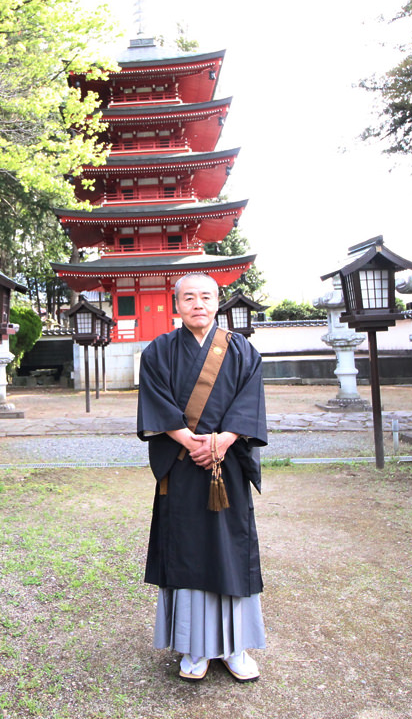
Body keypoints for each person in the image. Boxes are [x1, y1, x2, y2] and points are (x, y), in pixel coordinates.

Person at [136, 272, 268, 682]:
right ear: (176, 305)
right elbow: (155, 401)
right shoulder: (158, 352)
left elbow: (250, 402)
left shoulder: (243, 351)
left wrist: (223, 441)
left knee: (229, 551)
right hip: (181, 466)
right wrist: (190, 440)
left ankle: (234, 647)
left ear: (218, 302)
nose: (198, 303)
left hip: (224, 467)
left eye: (206, 296)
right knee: (188, 550)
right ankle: (194, 647)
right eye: (189, 297)